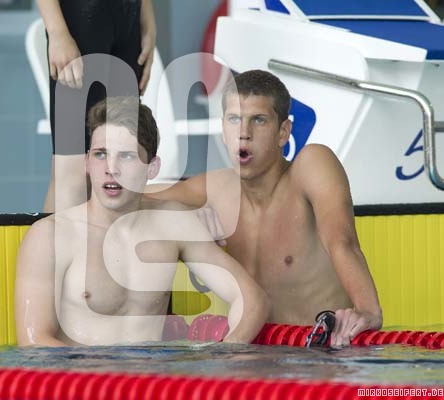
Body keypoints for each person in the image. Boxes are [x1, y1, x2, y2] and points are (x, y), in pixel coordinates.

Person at [147, 70, 383, 348]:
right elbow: (127, 197)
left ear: (283, 132)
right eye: (234, 120)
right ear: (223, 129)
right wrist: (182, 213)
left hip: (322, 357)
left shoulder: (310, 167)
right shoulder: (219, 190)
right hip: (254, 359)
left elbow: (342, 241)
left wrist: (367, 309)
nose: (243, 134)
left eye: (258, 120)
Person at [15, 97, 269, 346]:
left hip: (151, 372)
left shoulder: (173, 225)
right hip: (82, 372)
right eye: (101, 154)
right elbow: (35, 341)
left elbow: (251, 299)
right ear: (87, 162)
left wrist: (228, 353)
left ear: (152, 168)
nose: (111, 168)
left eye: (126, 156)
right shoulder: (51, 236)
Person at [36, 0, 156, 213]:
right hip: (80, 19)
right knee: (73, 174)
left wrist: (147, 18)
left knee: (118, 172)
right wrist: (56, 32)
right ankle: (51, 237)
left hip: (130, 20)